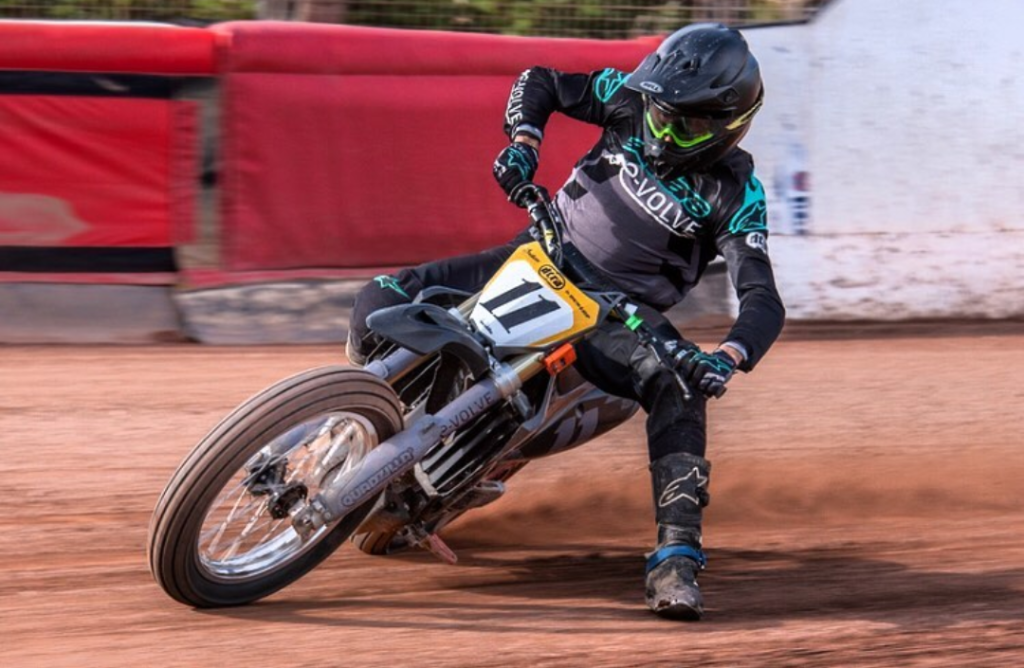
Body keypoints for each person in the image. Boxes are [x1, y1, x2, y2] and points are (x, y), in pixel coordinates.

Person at [347, 23, 785, 621]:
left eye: (683, 125)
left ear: (728, 124)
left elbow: (761, 296)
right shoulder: (630, 99)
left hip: (615, 315)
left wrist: (728, 356)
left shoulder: (737, 195)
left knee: (678, 385)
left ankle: (676, 556)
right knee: (382, 296)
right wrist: (524, 143)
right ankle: (359, 410)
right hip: (536, 251)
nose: (661, 131)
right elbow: (541, 81)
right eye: (660, 114)